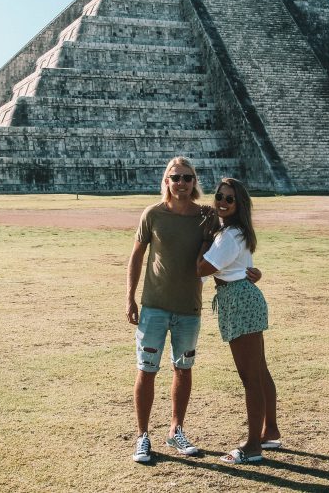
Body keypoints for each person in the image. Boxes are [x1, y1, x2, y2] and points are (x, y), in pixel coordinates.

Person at [125, 157, 214, 463]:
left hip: (189, 308)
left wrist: (249, 272)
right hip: (154, 307)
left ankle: (176, 430)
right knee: (146, 370)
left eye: (187, 178)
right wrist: (130, 297)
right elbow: (136, 256)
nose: (181, 183)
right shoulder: (153, 214)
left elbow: (229, 247)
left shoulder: (206, 216)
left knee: (183, 369)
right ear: (166, 181)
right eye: (175, 177)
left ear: (194, 182)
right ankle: (142, 436)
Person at [197, 178, 281, 465]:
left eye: (229, 198)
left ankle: (253, 444)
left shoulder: (228, 235)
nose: (221, 201)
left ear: (239, 204)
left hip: (238, 300)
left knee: (250, 377)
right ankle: (269, 431)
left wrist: (206, 236)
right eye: (219, 195)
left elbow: (201, 269)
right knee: (259, 371)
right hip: (243, 297)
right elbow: (240, 267)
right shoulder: (235, 231)